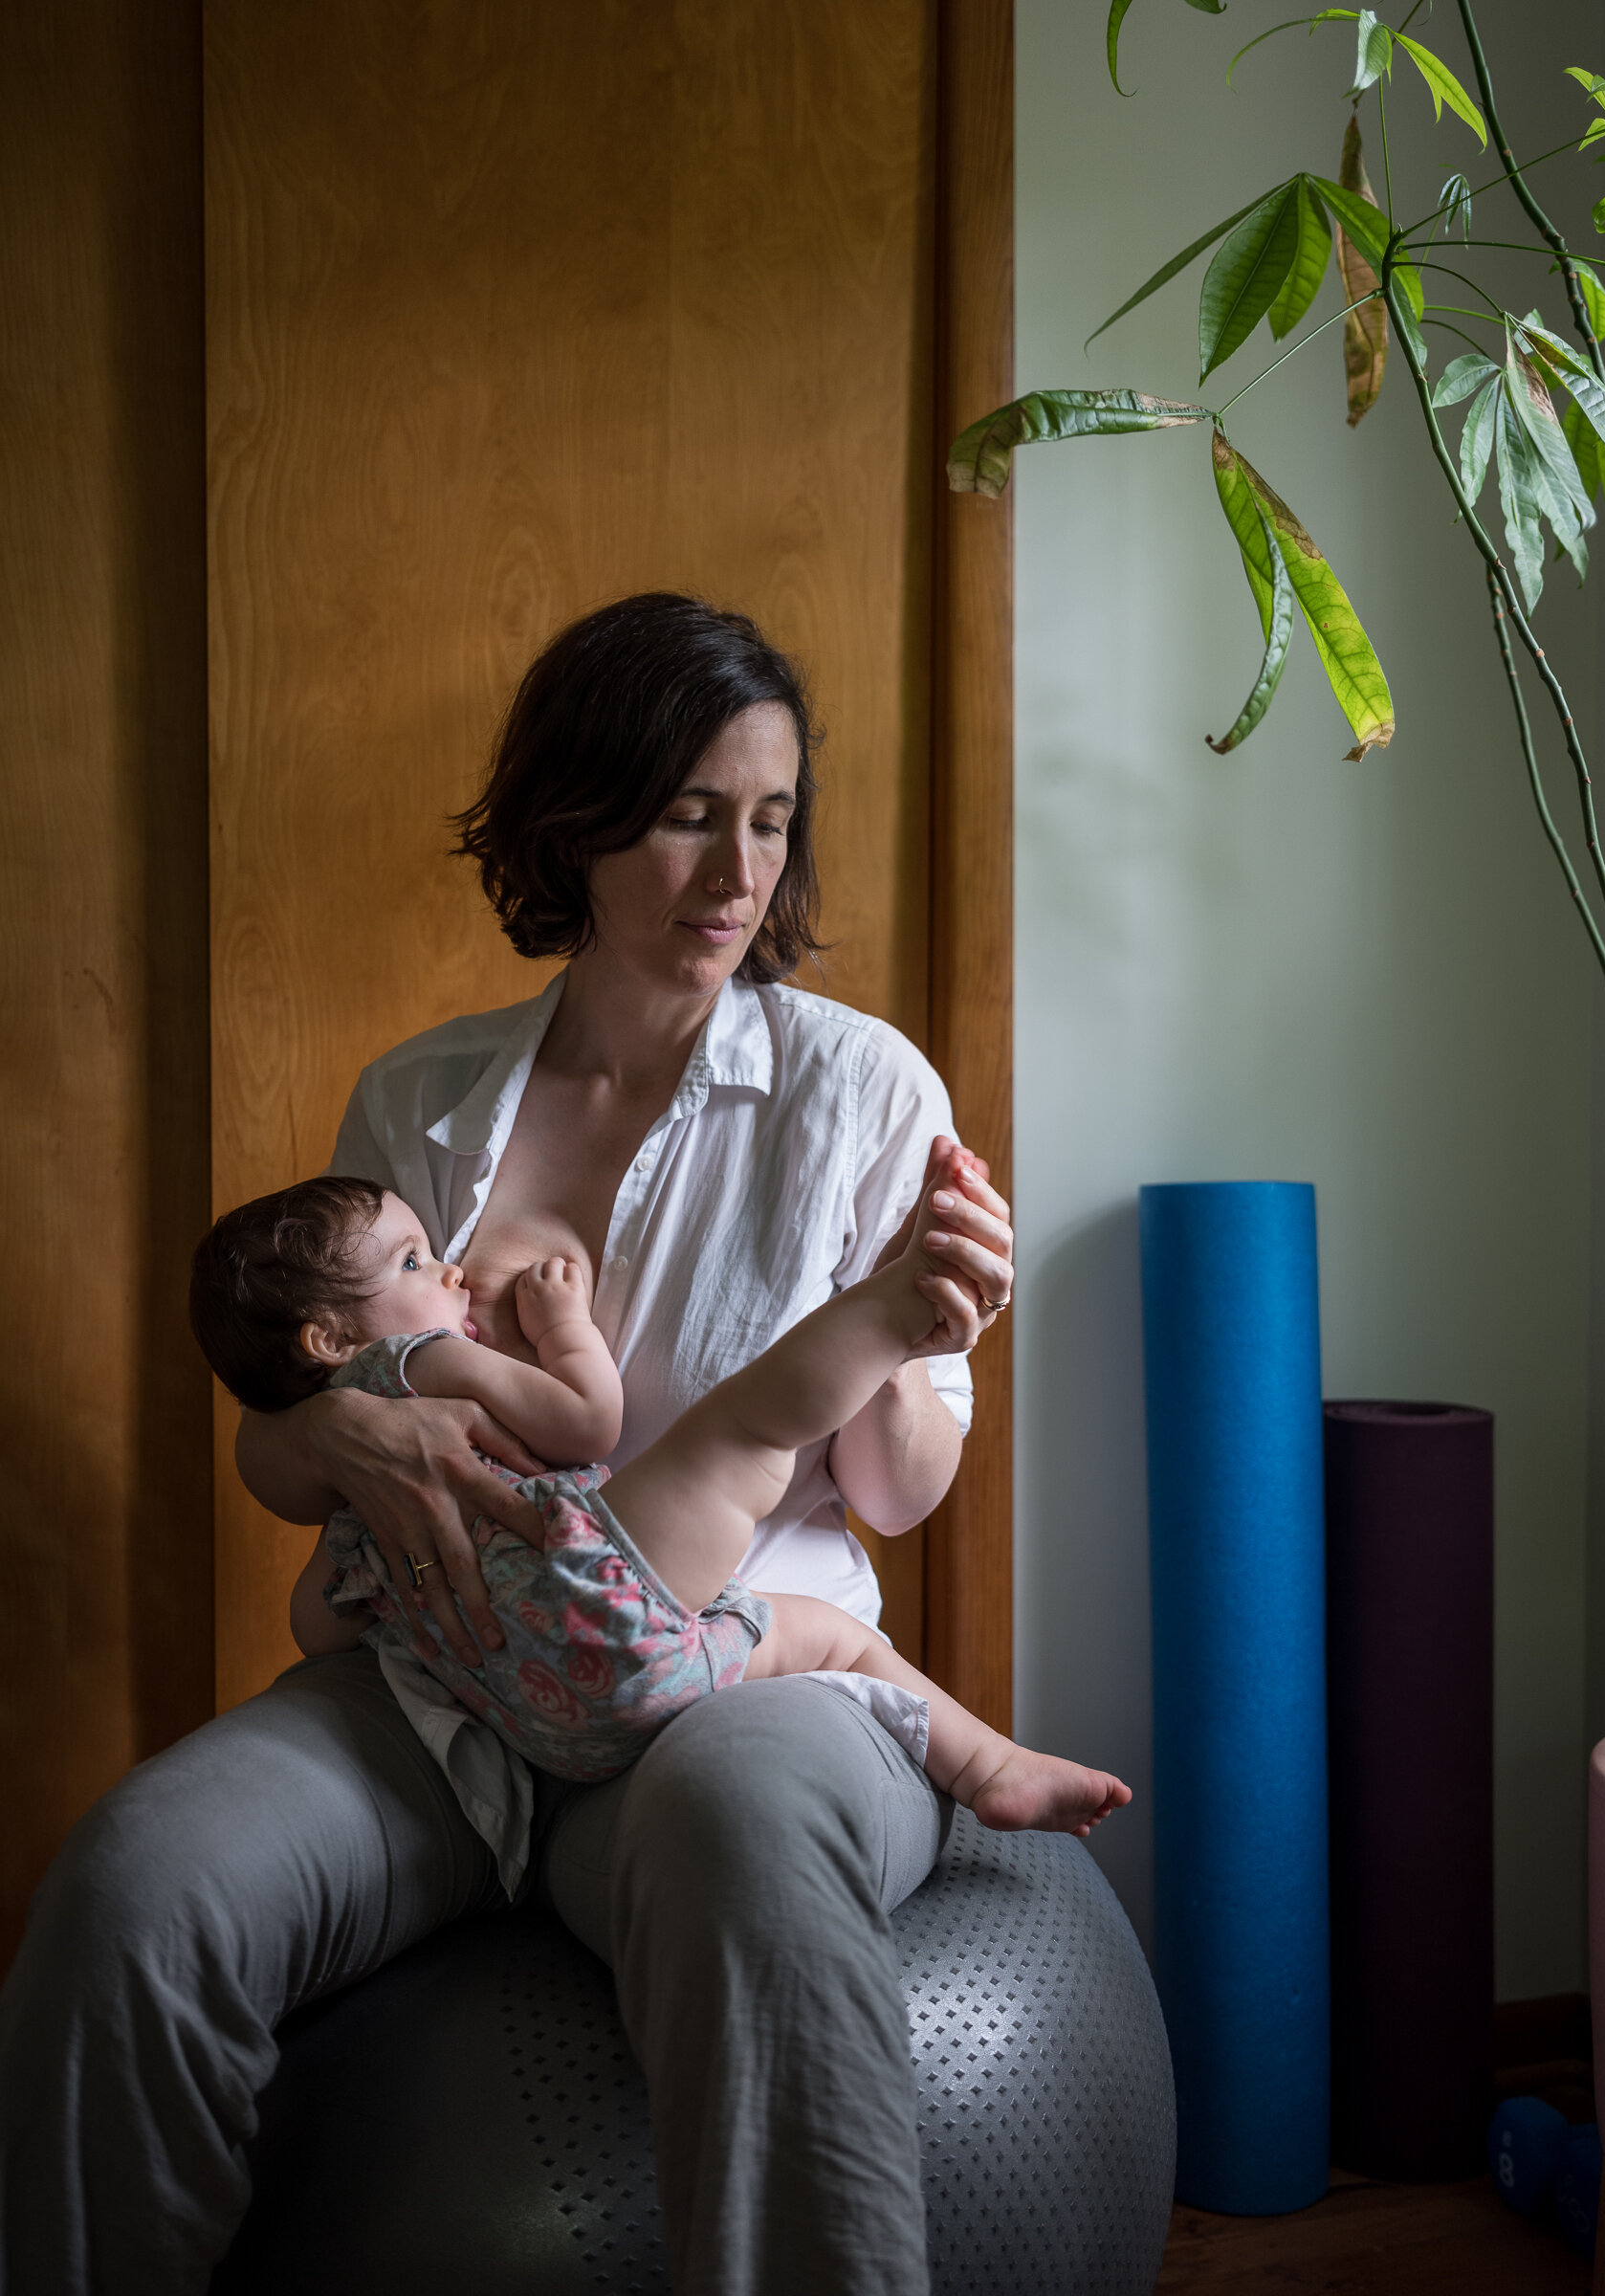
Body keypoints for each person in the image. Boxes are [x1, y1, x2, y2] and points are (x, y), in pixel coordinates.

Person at [0, 592, 1024, 2296]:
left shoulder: (862, 1088)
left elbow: (899, 1497)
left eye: (771, 820)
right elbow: (278, 1454)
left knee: (753, 1854)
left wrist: (929, 1328)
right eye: (692, 812)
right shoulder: (421, 1099)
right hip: (444, 1688)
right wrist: (341, 1428)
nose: (738, 873)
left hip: (737, 1682)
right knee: (134, 1889)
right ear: (579, 816)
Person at [188, 1169, 1128, 1835]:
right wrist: (560, 1328)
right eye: (409, 1265)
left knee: (819, 1636)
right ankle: (891, 1313)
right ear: (327, 1339)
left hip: (549, 1724)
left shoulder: (358, 1506)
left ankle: (995, 1771)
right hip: (593, 1592)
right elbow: (589, 1422)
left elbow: (318, 1626)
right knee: (746, 1434)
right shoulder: (411, 1365)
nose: (448, 1272)